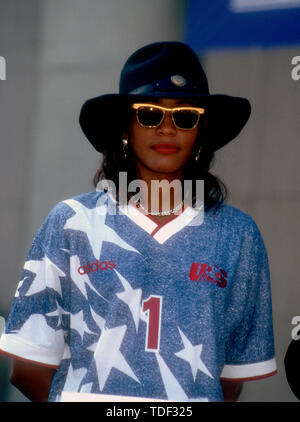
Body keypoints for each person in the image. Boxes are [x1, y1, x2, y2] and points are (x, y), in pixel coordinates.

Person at [0, 41, 277, 402]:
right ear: (125, 128)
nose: (166, 128)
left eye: (185, 116)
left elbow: (228, 379)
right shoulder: (71, 221)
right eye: (149, 113)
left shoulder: (239, 235)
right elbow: (28, 368)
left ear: (200, 134)